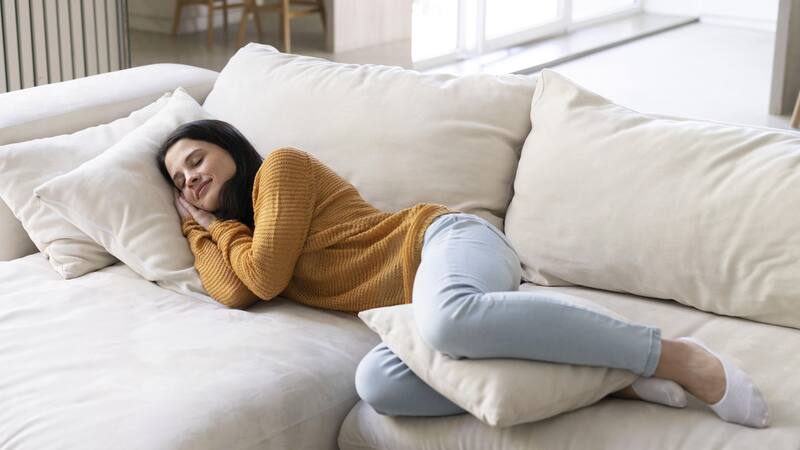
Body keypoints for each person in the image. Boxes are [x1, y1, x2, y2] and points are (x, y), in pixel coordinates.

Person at [156, 119, 769, 429]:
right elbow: (236, 289)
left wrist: (212, 226)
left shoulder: (279, 171)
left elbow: (260, 278)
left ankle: (676, 356)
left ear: (230, 147)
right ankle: (612, 378)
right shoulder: (240, 232)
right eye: (180, 182)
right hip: (414, 314)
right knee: (380, 387)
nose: (192, 179)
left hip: (445, 243)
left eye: (197, 159)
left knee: (450, 319)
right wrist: (197, 225)